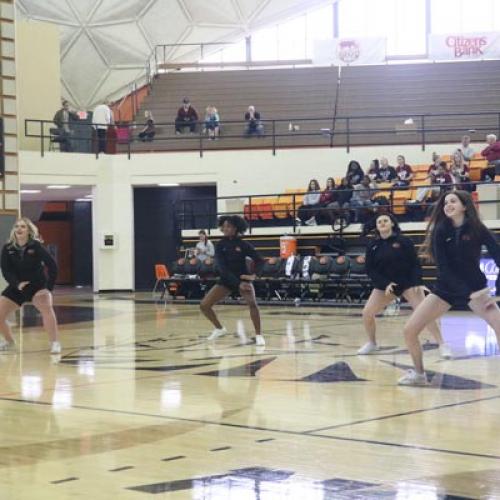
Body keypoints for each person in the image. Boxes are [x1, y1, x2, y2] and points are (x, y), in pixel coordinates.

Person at [399, 191, 500, 385]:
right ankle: (419, 374)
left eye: (453, 201)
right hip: (446, 289)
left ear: (464, 206)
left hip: (475, 287)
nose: (447, 205)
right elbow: (444, 270)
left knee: (499, 324)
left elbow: (496, 252)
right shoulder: (440, 231)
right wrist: (467, 293)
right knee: (409, 330)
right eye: (445, 202)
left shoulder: (477, 228)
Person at [358, 213, 449, 357]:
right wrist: (386, 283)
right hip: (386, 286)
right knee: (367, 313)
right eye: (379, 221)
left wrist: (418, 282)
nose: (382, 223)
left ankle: (442, 343)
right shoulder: (373, 246)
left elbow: (415, 263)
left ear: (392, 223)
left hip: (408, 283)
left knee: (424, 313)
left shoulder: (404, 241)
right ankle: (372, 343)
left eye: (385, 220)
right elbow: (370, 270)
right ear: (376, 226)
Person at [200, 215, 265, 346]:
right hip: (227, 280)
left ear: (236, 228)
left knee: (252, 304)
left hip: (243, 279)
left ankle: (259, 335)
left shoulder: (243, 244)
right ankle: (219, 329)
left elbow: (260, 260)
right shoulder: (220, 245)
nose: (225, 228)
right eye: (223, 226)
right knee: (204, 305)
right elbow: (222, 269)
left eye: (228, 226)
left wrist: (253, 275)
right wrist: (237, 284)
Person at [0, 218, 61, 354]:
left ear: (29, 231)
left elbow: (52, 266)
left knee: (46, 309)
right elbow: (6, 270)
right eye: (17, 226)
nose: (19, 229)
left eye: (23, 227)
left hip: (37, 286)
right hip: (18, 286)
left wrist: (48, 288)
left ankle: (55, 343)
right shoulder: (8, 248)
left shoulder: (36, 246)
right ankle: (9, 342)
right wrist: (17, 284)